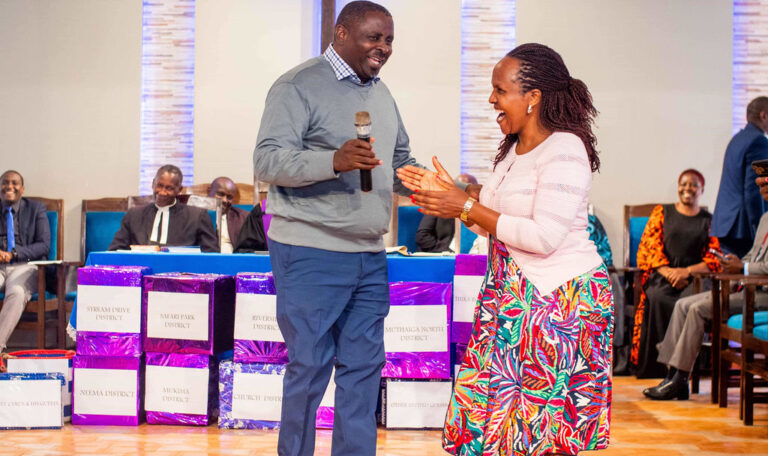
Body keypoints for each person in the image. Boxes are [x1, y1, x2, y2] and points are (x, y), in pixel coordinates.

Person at [398, 43, 612, 456]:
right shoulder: (513, 150)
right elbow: (492, 222)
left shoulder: (565, 149)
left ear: (533, 97)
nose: (491, 99)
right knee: (480, 421)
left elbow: (543, 237)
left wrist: (464, 204)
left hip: (557, 304)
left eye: (500, 90)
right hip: (509, 299)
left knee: (535, 431)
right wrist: (453, 196)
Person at [252, 2, 424, 455]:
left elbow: (400, 160)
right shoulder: (297, 85)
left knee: (364, 370)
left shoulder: (382, 94)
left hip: (369, 254)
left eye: (389, 40)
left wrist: (433, 187)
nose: (383, 48)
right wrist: (333, 160)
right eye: (374, 37)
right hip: (310, 251)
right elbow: (267, 160)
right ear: (341, 33)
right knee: (309, 368)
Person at [644, 171, 768, 400]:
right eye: (760, 184)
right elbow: (753, 255)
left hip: (762, 294)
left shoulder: (707, 218)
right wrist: (736, 263)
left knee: (696, 309)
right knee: (682, 304)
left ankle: (680, 378)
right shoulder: (765, 218)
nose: (762, 188)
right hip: (747, 287)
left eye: (766, 182)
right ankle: (671, 376)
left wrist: (743, 268)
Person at [629, 169, 721, 378]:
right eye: (684, 184)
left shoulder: (709, 220)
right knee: (656, 297)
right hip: (663, 274)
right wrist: (671, 273)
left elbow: (715, 257)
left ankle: (682, 370)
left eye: (694, 185)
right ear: (678, 187)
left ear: (702, 189)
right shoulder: (662, 212)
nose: (688, 188)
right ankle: (657, 367)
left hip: (695, 278)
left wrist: (686, 272)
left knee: (690, 303)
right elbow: (649, 247)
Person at [0, 170, 50, 370]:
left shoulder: (36, 209)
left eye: (14, 183)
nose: (9, 186)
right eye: (5, 182)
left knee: (17, 292)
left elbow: (44, 245)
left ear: (22, 189)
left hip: (25, 265)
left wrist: (13, 254)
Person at [109, 165, 218, 252]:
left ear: (179, 190)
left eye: (169, 188)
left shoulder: (197, 216)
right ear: (153, 184)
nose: (162, 192)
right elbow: (115, 250)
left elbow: (211, 254)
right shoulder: (134, 215)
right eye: (159, 185)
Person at [710, 96, 768, 257]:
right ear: (763, 115)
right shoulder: (759, 142)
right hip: (744, 227)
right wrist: (760, 230)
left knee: (733, 269)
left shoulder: (736, 140)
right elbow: (755, 190)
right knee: (751, 270)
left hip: (726, 224)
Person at [415, 173, 477, 252]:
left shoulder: (477, 212)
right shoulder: (437, 205)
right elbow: (422, 236)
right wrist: (446, 251)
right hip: (439, 254)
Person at [207, 177, 251, 253]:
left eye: (229, 197)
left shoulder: (243, 217)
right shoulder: (197, 216)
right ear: (209, 192)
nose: (225, 200)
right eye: (220, 194)